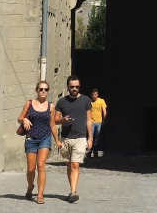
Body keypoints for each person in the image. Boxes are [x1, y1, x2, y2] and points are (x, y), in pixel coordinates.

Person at [17, 81, 61, 205]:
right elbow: (19, 118)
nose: (43, 91)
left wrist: (57, 140)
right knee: (31, 169)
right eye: (41, 89)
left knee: (41, 165)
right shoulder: (29, 103)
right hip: (31, 138)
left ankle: (40, 195)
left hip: (45, 138)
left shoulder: (51, 106)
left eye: (46, 89)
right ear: (37, 90)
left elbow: (52, 124)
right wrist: (25, 119)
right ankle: (30, 187)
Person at [55, 75, 93, 203]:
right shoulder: (62, 102)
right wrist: (63, 120)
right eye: (72, 87)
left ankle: (73, 192)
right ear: (68, 87)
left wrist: (90, 138)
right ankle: (72, 190)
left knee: (75, 165)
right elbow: (55, 120)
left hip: (80, 137)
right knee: (69, 166)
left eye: (77, 87)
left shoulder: (86, 100)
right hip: (66, 138)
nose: (74, 89)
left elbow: (89, 120)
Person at [88, 88, 107, 158]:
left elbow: (104, 111)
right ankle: (89, 151)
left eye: (95, 95)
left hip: (99, 122)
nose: (94, 96)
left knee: (97, 138)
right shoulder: (89, 102)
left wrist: (104, 120)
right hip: (91, 122)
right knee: (91, 137)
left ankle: (95, 151)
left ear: (97, 95)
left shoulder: (101, 101)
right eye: (93, 95)